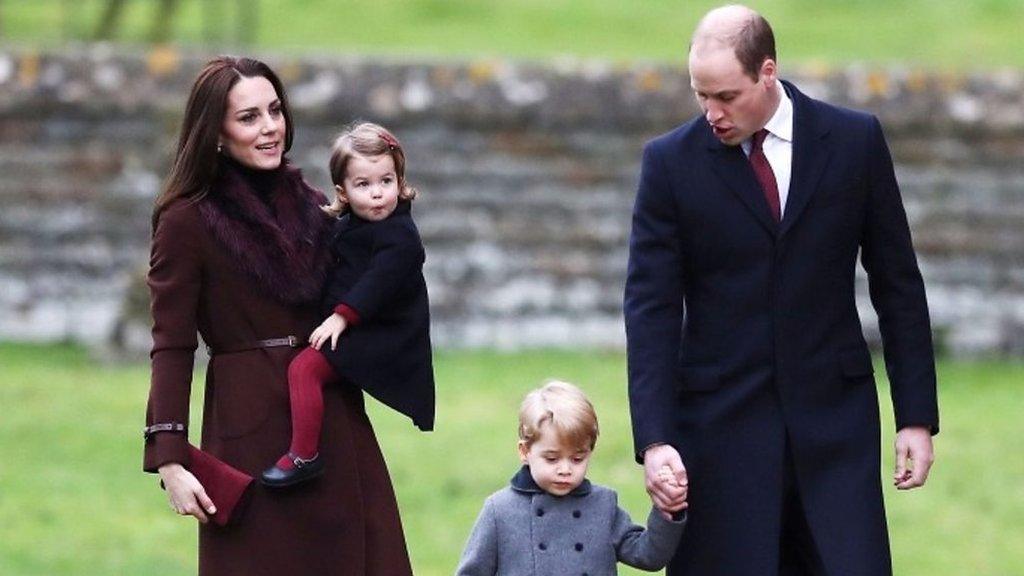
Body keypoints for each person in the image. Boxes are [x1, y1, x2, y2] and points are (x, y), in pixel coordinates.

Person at [624, 5, 939, 575]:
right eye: (700, 95)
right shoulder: (668, 163)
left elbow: (897, 284)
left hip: (835, 427)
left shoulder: (854, 141)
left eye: (726, 96)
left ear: (767, 72)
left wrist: (915, 416)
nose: (711, 113)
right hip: (718, 433)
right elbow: (651, 308)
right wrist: (655, 439)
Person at [143, 56, 413, 575]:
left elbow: (383, 275)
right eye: (248, 117)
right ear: (215, 132)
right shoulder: (186, 220)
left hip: (332, 420)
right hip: (248, 432)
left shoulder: (317, 206)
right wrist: (170, 457)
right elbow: (171, 343)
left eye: (274, 110)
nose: (269, 127)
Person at [261, 122, 435, 487]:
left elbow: (378, 282)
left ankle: (304, 455)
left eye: (386, 182)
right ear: (342, 191)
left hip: (381, 335)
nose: (377, 194)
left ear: (399, 181)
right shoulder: (348, 225)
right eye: (364, 185)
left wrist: (341, 317)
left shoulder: (400, 236)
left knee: (304, 370)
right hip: (359, 326)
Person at [456, 381, 686, 576]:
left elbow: (649, 556)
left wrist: (665, 511)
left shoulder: (603, 505)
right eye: (552, 459)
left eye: (577, 459)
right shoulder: (500, 510)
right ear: (525, 452)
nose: (565, 469)